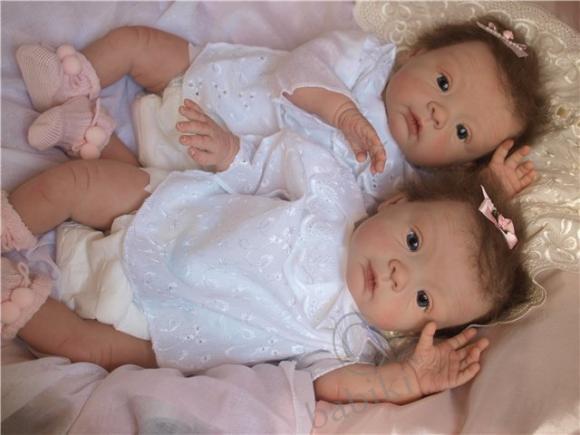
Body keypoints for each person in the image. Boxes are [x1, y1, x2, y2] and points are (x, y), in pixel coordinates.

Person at [1, 104, 531, 403]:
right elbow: (277, 161)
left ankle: (14, 300)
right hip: (172, 211)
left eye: (421, 298)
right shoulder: (336, 195)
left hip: (164, 328)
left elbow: (326, 384)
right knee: (81, 182)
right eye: (413, 243)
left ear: (417, 329)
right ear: (395, 203)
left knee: (89, 348)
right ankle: (11, 223)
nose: (398, 274)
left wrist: (403, 381)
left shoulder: (349, 339)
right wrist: (232, 152)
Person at [16, 16, 549, 210]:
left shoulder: (408, 182)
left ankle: (84, 130)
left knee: (130, 189)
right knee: (140, 43)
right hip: (217, 83)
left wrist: (488, 190)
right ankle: (72, 82)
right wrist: (343, 113)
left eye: (461, 130)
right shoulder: (369, 58)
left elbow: (443, 225)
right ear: (416, 54)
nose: (437, 113)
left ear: (459, 163)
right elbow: (300, 67)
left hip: (218, 173)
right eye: (444, 83)